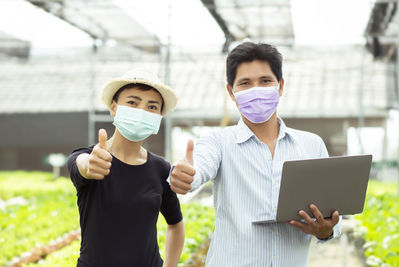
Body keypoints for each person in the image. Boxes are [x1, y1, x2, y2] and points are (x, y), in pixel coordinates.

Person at [169, 42, 342, 267]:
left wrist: (326, 230)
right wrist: (185, 175)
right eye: (245, 83)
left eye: (265, 81)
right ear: (231, 92)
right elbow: (197, 168)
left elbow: (331, 215)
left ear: (280, 86)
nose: (256, 90)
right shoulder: (218, 143)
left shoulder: (312, 145)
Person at [67, 69, 184, 267]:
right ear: (114, 108)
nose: (141, 111)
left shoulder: (161, 169)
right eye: (132, 102)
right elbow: (82, 165)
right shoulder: (90, 157)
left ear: (158, 117)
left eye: (152, 107)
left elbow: (176, 223)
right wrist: (89, 165)